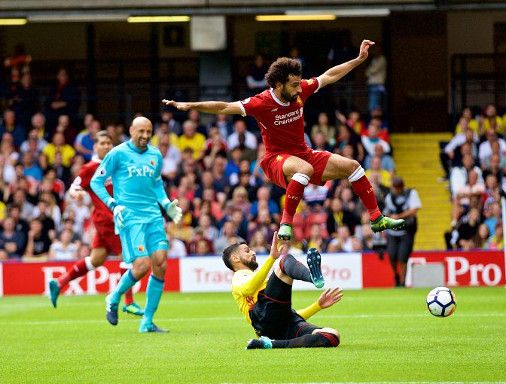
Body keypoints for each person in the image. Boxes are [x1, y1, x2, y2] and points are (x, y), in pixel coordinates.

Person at [163, 39, 404, 241]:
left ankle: (376, 218)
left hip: (303, 153)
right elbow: (224, 106)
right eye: (294, 85)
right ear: (278, 85)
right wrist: (190, 105)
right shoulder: (261, 102)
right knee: (304, 169)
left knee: (353, 167)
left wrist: (359, 60)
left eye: (300, 84)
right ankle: (286, 223)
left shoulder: (300, 90)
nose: (300, 89)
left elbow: (329, 76)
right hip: (276, 159)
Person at [90, 117, 183, 333]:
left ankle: (147, 322)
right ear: (131, 130)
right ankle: (113, 297)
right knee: (142, 265)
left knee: (160, 263)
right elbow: (96, 181)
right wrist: (113, 205)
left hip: (153, 217)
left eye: (148, 131)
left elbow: (157, 183)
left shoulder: (155, 155)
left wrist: (167, 203)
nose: (144, 135)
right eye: (140, 131)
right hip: (130, 217)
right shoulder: (118, 153)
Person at [48, 131, 143, 316]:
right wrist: (77, 193)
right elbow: (75, 187)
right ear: (95, 147)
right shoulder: (90, 168)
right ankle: (129, 301)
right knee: (130, 257)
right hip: (109, 221)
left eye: (109, 142)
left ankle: (60, 282)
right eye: (102, 143)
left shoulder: (117, 164)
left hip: (110, 220)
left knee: (96, 259)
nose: (107, 146)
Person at [223, 233, 342, 349]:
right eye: (247, 251)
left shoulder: (261, 282)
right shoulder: (239, 276)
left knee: (332, 335)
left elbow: (285, 315)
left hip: (278, 328)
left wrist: (318, 305)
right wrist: (271, 259)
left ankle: (270, 344)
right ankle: (312, 277)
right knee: (284, 260)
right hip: (262, 318)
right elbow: (248, 289)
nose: (253, 253)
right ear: (235, 258)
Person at [383, 177, 422, 287]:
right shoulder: (389, 196)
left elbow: (414, 210)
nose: (395, 191)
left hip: (407, 230)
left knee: (403, 256)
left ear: (402, 187)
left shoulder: (411, 193)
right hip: (392, 231)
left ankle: (403, 282)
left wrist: (399, 217)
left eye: (397, 189)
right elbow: (386, 212)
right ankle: (396, 275)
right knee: (392, 255)